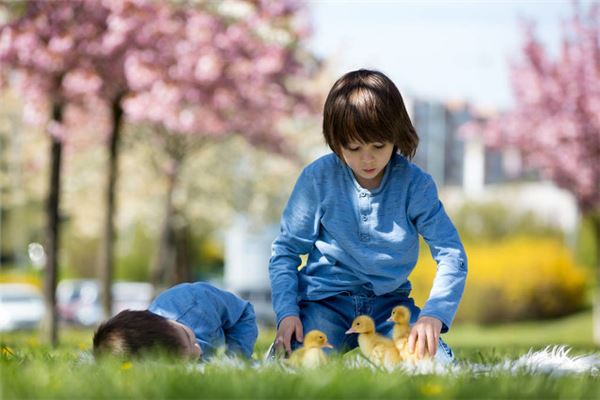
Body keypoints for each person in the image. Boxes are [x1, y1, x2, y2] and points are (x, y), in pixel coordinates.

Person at [268, 69, 467, 363]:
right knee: (299, 365)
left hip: (391, 308)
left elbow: (451, 254)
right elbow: (285, 251)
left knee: (433, 364)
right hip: (324, 303)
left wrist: (434, 314)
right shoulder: (317, 179)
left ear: (396, 136)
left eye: (379, 146)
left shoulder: (415, 185)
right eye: (354, 148)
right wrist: (288, 312)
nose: (368, 159)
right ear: (336, 142)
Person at [93, 282, 258, 360]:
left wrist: (235, 357)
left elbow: (245, 313)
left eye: (188, 338)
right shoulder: (148, 348)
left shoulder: (199, 304)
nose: (198, 348)